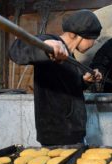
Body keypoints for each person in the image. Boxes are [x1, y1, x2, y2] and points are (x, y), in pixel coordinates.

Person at [9, 10, 102, 146]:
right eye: (93, 39)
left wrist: (84, 81)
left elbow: (68, 89)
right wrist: (45, 47)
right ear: (77, 35)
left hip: (73, 133)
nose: (93, 43)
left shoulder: (69, 56)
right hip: (56, 136)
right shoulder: (52, 44)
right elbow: (16, 50)